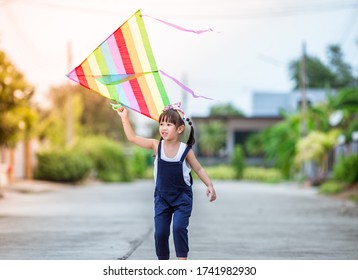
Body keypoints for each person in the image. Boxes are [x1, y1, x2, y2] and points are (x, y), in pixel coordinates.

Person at [117, 102, 216, 260]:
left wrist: (209, 185)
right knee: (161, 233)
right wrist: (124, 118)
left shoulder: (185, 150)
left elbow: (199, 169)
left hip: (182, 198)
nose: (163, 127)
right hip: (162, 198)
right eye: (161, 123)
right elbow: (133, 138)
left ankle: (182, 263)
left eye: (168, 124)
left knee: (178, 228)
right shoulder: (156, 146)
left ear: (179, 129)